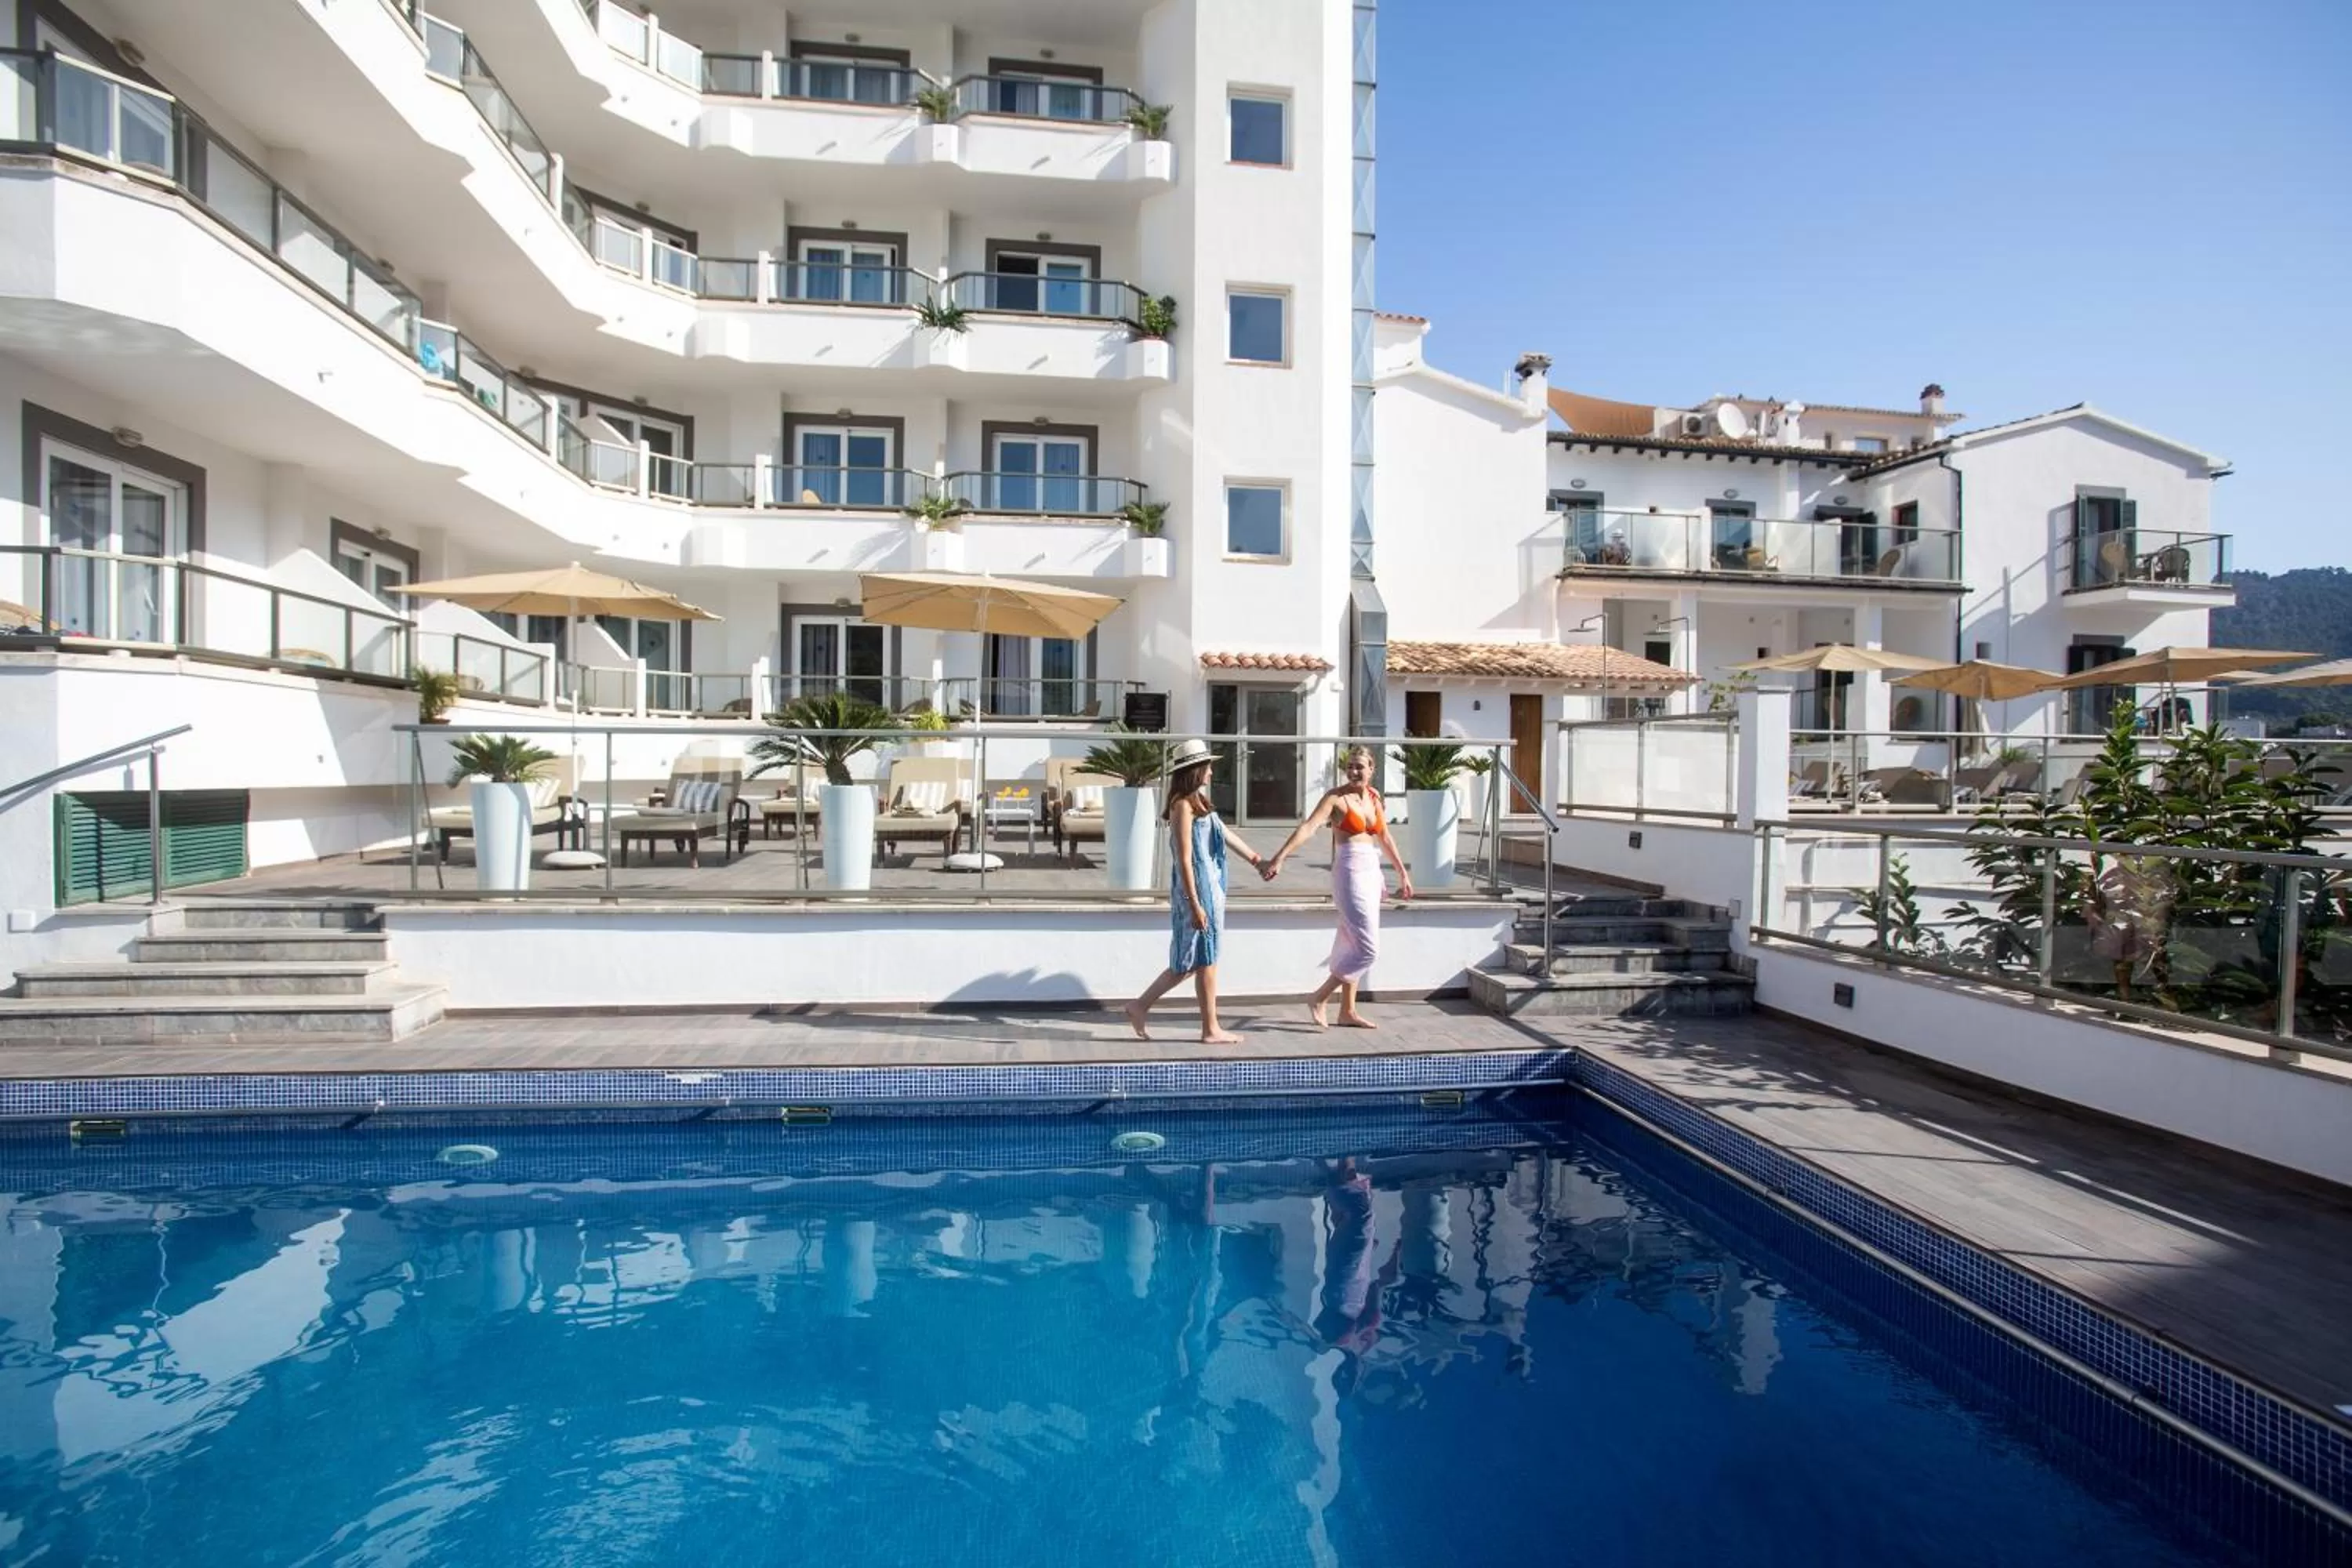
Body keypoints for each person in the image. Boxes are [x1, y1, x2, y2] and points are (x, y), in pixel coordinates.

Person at [1126, 739, 1269, 1044]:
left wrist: (1257, 860)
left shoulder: (1199, 801)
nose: (1212, 771)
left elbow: (1224, 833)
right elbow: (1184, 859)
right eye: (1207, 766)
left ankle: (1147, 1008)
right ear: (1195, 770)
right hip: (1197, 890)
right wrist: (1195, 904)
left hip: (1210, 887)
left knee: (1204, 959)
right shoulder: (1182, 806)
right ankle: (1205, 1027)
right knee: (1197, 960)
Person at [1265, 746, 1414, 1029]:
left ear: (1372, 769)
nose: (1355, 771)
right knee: (1368, 949)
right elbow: (1308, 828)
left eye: (1361, 766)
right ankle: (1320, 997)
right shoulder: (1335, 799)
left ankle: (1347, 1011)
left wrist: (1402, 873)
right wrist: (1280, 858)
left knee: (1353, 941)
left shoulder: (1374, 797)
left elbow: (1383, 834)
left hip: (1371, 870)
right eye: (1351, 766)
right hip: (1349, 871)